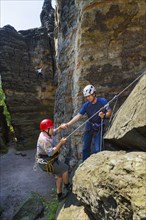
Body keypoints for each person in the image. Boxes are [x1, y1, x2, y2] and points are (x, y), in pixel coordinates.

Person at [62, 85, 112, 161]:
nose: (88, 98)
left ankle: (95, 163)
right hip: (89, 125)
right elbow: (78, 116)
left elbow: (109, 112)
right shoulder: (86, 105)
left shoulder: (103, 101)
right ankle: (84, 163)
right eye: (87, 97)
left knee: (97, 149)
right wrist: (68, 124)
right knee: (85, 147)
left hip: (99, 126)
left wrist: (104, 115)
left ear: (94, 94)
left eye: (89, 96)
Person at [35, 119, 71, 202]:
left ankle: (59, 195)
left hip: (48, 160)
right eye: (50, 128)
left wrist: (60, 127)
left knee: (59, 175)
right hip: (46, 162)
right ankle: (67, 186)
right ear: (45, 130)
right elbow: (50, 153)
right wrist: (61, 143)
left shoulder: (47, 132)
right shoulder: (44, 139)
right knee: (65, 169)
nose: (52, 129)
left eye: (52, 127)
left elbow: (54, 132)